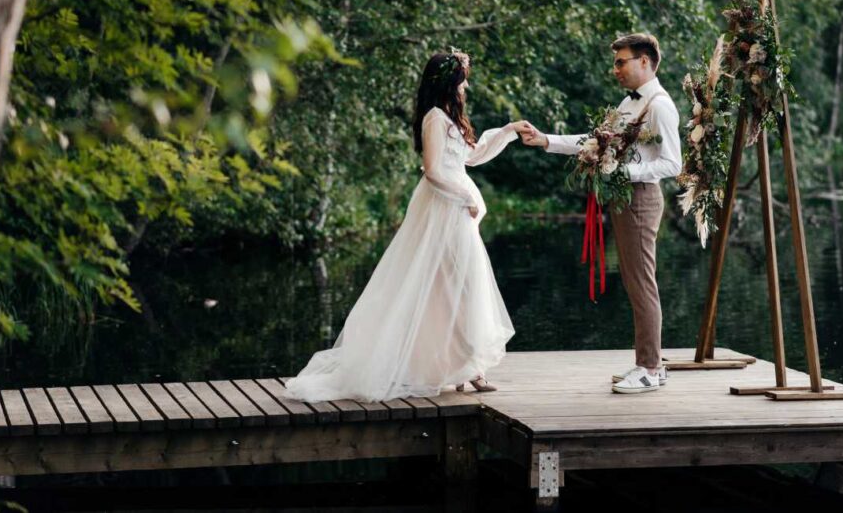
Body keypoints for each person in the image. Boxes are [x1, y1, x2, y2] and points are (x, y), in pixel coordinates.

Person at [284, 50, 534, 402]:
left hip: (459, 212)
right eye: (463, 77)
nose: (466, 84)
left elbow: (472, 157)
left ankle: (466, 367)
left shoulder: (451, 117)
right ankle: (467, 368)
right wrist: (463, 198)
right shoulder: (434, 118)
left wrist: (507, 131)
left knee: (463, 285)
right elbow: (433, 170)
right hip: (444, 209)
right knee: (452, 287)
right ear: (449, 80)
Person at [523, 33, 681, 393]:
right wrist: (546, 140)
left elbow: (673, 163)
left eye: (621, 62)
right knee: (634, 281)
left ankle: (651, 368)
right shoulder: (627, 105)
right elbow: (594, 143)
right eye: (615, 63)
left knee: (642, 283)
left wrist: (623, 172)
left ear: (644, 61)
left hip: (641, 198)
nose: (615, 70)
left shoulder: (659, 105)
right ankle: (646, 362)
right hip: (626, 200)